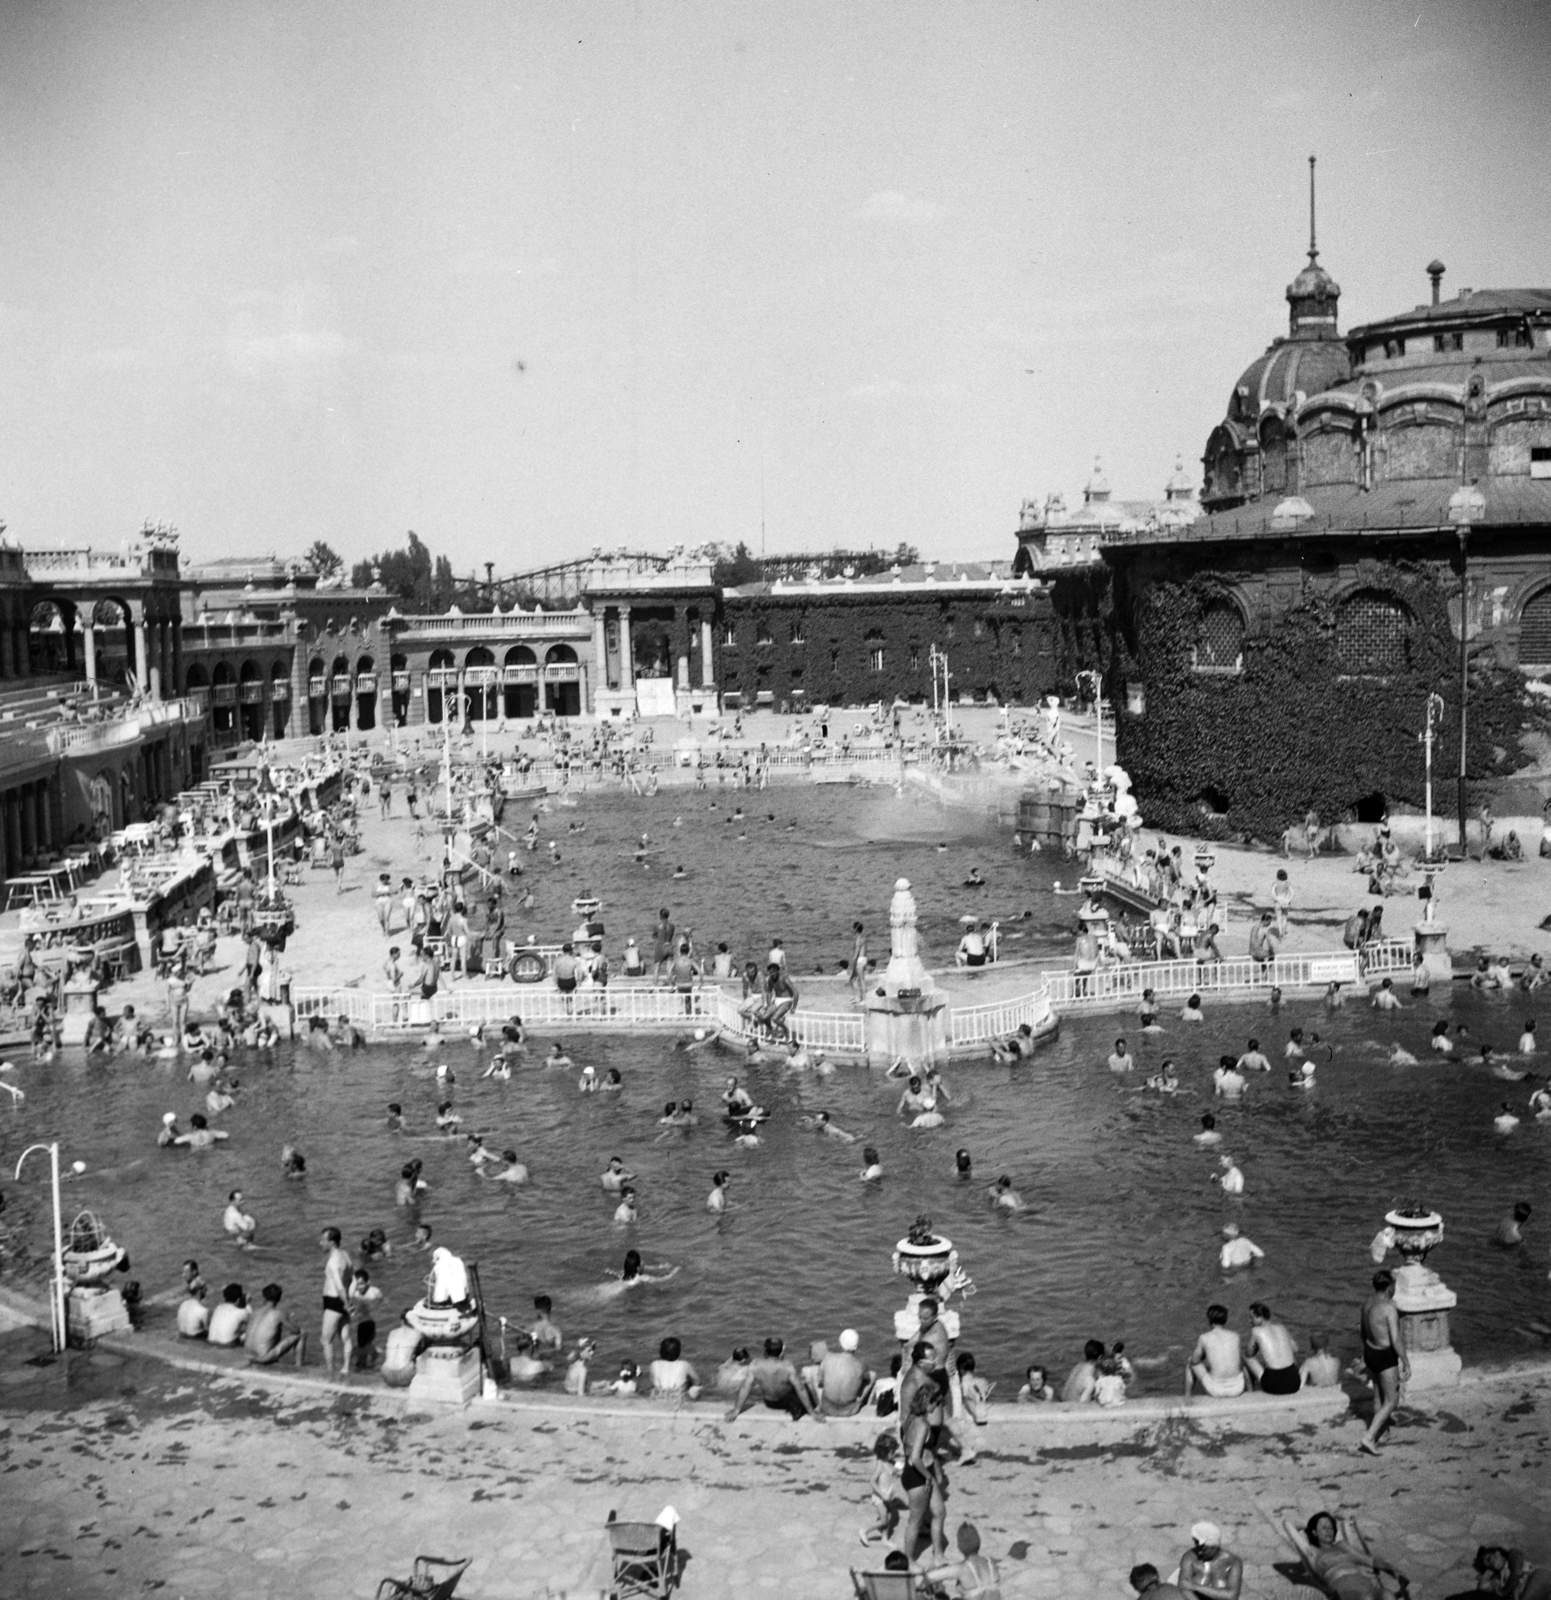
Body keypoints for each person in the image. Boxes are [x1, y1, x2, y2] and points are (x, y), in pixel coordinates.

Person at [1301, 1512, 1409, 1600]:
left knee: (1388, 1595)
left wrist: (1393, 1569)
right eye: (1324, 1528)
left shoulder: (1343, 1545)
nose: (1329, 1531)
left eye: (1331, 1527)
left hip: (1366, 1585)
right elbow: (1289, 1526)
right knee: (1367, 1598)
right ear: (1314, 1532)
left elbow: (1371, 1561)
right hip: (1342, 1592)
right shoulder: (1313, 1551)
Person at [1359, 1269, 1408, 1453]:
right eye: (1394, 1286)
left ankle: (1383, 1430)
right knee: (1392, 1401)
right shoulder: (1389, 1309)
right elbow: (1395, 1340)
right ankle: (1369, 1437)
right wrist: (1406, 1361)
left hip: (1370, 1351)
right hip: (1385, 1356)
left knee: (1378, 1394)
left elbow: (1363, 1332)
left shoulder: (1367, 1304)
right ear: (1389, 1288)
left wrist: (1368, 1349)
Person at [724, 1337, 823, 1423]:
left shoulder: (755, 1365)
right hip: (785, 1402)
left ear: (765, 1352)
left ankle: (795, 1407)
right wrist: (812, 1412)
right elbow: (800, 1388)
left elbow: (746, 1386)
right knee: (805, 1384)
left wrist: (736, 1410)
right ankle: (798, 1409)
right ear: (781, 1352)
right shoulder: (787, 1366)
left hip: (770, 1403)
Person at [924, 1522, 1003, 1600]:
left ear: (959, 1547)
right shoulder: (990, 1562)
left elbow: (928, 1578)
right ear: (979, 1543)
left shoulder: (960, 1569)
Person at [1186, 1304, 1245, 1398]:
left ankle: (1187, 1396)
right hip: (1238, 1388)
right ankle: (1251, 1391)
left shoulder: (1204, 1337)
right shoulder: (1235, 1336)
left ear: (1209, 1319)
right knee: (1241, 1361)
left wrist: (1204, 1356)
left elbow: (1195, 1361)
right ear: (1225, 1319)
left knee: (1190, 1360)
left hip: (1217, 1390)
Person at [860, 1432, 908, 1547]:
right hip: (880, 1497)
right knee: (884, 1520)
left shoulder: (891, 1462)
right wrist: (882, 1494)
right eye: (892, 1452)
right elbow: (872, 1481)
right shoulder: (880, 1465)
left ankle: (884, 1538)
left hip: (889, 1494)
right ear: (884, 1452)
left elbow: (898, 1470)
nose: (894, 1454)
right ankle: (865, 1530)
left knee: (889, 1517)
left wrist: (901, 1470)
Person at [1243, 1302, 1299, 1393]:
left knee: (1246, 1357)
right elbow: (1296, 1348)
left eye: (1251, 1317)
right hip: (1295, 1382)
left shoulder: (1256, 1331)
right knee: (1290, 1356)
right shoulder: (1281, 1327)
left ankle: (1250, 1390)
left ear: (1260, 1318)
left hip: (1274, 1386)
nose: (1249, 1320)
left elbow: (1249, 1354)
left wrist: (1256, 1347)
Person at [319, 1227, 353, 1374]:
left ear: (331, 1242)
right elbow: (351, 1279)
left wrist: (346, 1304)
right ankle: (346, 1368)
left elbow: (339, 1287)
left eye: (323, 1240)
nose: (320, 1243)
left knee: (326, 1340)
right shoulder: (345, 1255)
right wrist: (349, 1302)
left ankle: (330, 1371)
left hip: (334, 1300)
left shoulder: (333, 1261)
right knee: (345, 1336)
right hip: (344, 1299)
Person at [245, 1283, 305, 1367]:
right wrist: (292, 1321)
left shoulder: (255, 1312)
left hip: (247, 1355)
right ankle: (299, 1366)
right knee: (302, 1334)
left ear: (264, 1296)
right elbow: (296, 1331)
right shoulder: (279, 1314)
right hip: (262, 1358)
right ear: (279, 1298)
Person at [1178, 1522, 1243, 1600]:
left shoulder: (1233, 1562)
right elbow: (1183, 1588)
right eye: (1198, 1548)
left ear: (1215, 1547)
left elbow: (1232, 1596)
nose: (1199, 1552)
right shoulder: (1190, 1557)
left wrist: (1196, 1587)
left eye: (1204, 1550)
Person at [817, 1327, 873, 1415]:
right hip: (849, 1411)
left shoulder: (828, 1358)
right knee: (872, 1375)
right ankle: (859, 1401)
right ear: (856, 1346)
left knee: (818, 1373)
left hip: (827, 1409)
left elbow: (820, 1382)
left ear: (840, 1343)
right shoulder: (860, 1364)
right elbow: (867, 1377)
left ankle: (818, 1405)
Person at [1061, 1339, 1104, 1403]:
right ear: (1100, 1357)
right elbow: (1082, 1406)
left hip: (1062, 1402)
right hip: (1073, 1409)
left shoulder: (1077, 1367)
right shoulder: (1089, 1380)